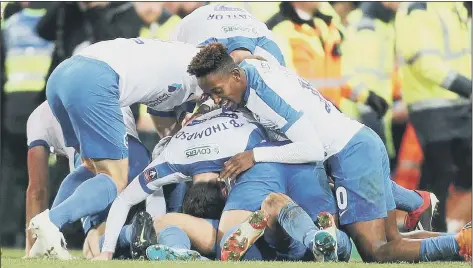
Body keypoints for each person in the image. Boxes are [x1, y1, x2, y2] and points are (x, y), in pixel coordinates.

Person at [186, 43, 472, 262]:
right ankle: (459, 239)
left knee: (377, 251)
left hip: (350, 154)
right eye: (210, 94)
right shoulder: (250, 68)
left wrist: (255, 156)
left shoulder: (264, 96)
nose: (216, 99)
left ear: (235, 75)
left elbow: (311, 148)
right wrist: (204, 108)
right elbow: (246, 66)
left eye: (218, 91)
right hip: (360, 142)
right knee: (394, 238)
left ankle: (460, 242)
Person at [27, 38, 203, 259]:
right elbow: (166, 126)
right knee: (115, 179)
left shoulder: (173, 51)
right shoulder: (192, 76)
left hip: (61, 76)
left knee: (90, 168)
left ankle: (45, 235)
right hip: (97, 83)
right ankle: (51, 221)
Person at [25, 101, 150, 258]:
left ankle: (48, 229)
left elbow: (37, 190)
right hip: (133, 153)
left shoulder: (38, 118)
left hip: (97, 157)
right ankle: (131, 233)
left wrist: (30, 247)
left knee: (94, 243)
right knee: (112, 242)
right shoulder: (110, 87)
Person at [395, 1, 472, 233]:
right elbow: (424, 62)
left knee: (457, 172)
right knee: (442, 172)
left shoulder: (456, 7)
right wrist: (465, 85)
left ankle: (439, 232)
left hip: (460, 103)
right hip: (431, 104)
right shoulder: (419, 9)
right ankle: (433, 236)